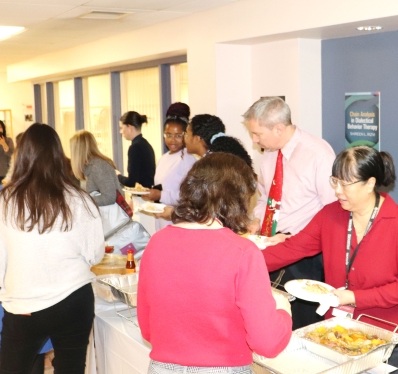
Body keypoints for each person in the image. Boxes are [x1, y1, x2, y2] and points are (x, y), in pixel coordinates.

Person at [263, 146, 398, 373]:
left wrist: (355, 297)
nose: (337, 191)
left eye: (345, 184)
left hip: (390, 339)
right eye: (334, 181)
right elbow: (291, 249)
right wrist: (242, 262)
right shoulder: (330, 215)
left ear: (370, 183)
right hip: (340, 332)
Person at [138, 153, 292, 374]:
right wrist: (283, 312)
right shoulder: (242, 252)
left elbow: (148, 329)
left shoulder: (157, 242)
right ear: (236, 201)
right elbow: (267, 343)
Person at [0, 123, 104, 374]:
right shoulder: (78, 199)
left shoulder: (4, 201)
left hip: (24, 304)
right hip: (74, 299)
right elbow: (95, 253)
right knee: (71, 369)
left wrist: (11, 286)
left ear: (21, 155)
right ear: (57, 155)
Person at [244, 96, 336, 329]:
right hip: (271, 243)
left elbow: (332, 211)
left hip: (304, 253)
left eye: (258, 134)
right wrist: (256, 219)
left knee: (301, 321)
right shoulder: (269, 153)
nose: (254, 140)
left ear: (278, 128)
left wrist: (296, 240)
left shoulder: (318, 153)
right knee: (273, 312)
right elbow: (266, 196)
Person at [143, 103, 197, 230]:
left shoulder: (188, 159)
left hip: (179, 222)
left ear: (186, 135)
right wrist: (150, 193)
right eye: (168, 135)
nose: (172, 140)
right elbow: (164, 186)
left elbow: (189, 196)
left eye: (178, 135)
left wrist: (160, 195)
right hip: (162, 221)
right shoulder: (163, 158)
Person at [70, 130, 124, 206]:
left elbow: (109, 197)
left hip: (109, 216)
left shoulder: (98, 166)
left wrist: (83, 201)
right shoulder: (89, 166)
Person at [117, 111, 155, 188]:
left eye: (121, 128)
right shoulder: (146, 144)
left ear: (130, 128)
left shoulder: (135, 148)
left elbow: (132, 182)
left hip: (141, 197)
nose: (120, 132)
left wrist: (118, 176)